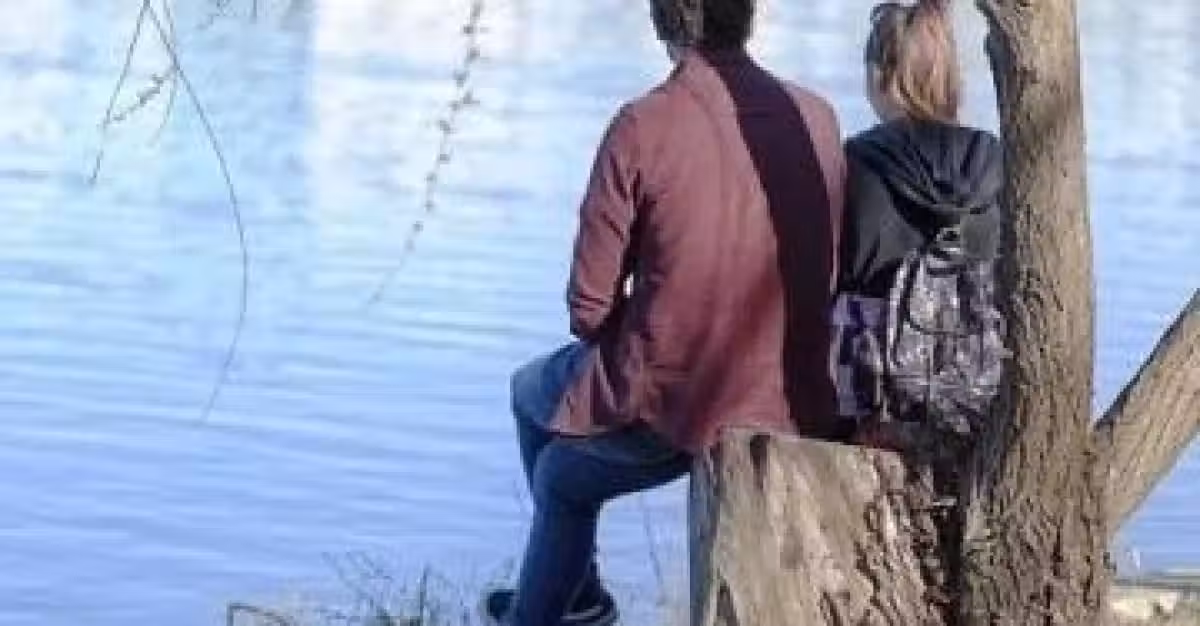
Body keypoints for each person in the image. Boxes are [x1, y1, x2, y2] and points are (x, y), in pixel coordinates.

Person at [481, 1, 846, 624]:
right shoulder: (816, 115)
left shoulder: (642, 126)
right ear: (747, 17)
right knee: (537, 400)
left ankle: (561, 608)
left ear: (661, 22)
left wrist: (642, 331)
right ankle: (576, 601)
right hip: (798, 393)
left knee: (556, 466)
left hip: (681, 405)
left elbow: (589, 307)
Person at [833, 0, 1004, 448]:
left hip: (871, 397)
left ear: (882, 76)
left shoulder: (856, 162)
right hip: (972, 390)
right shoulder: (996, 163)